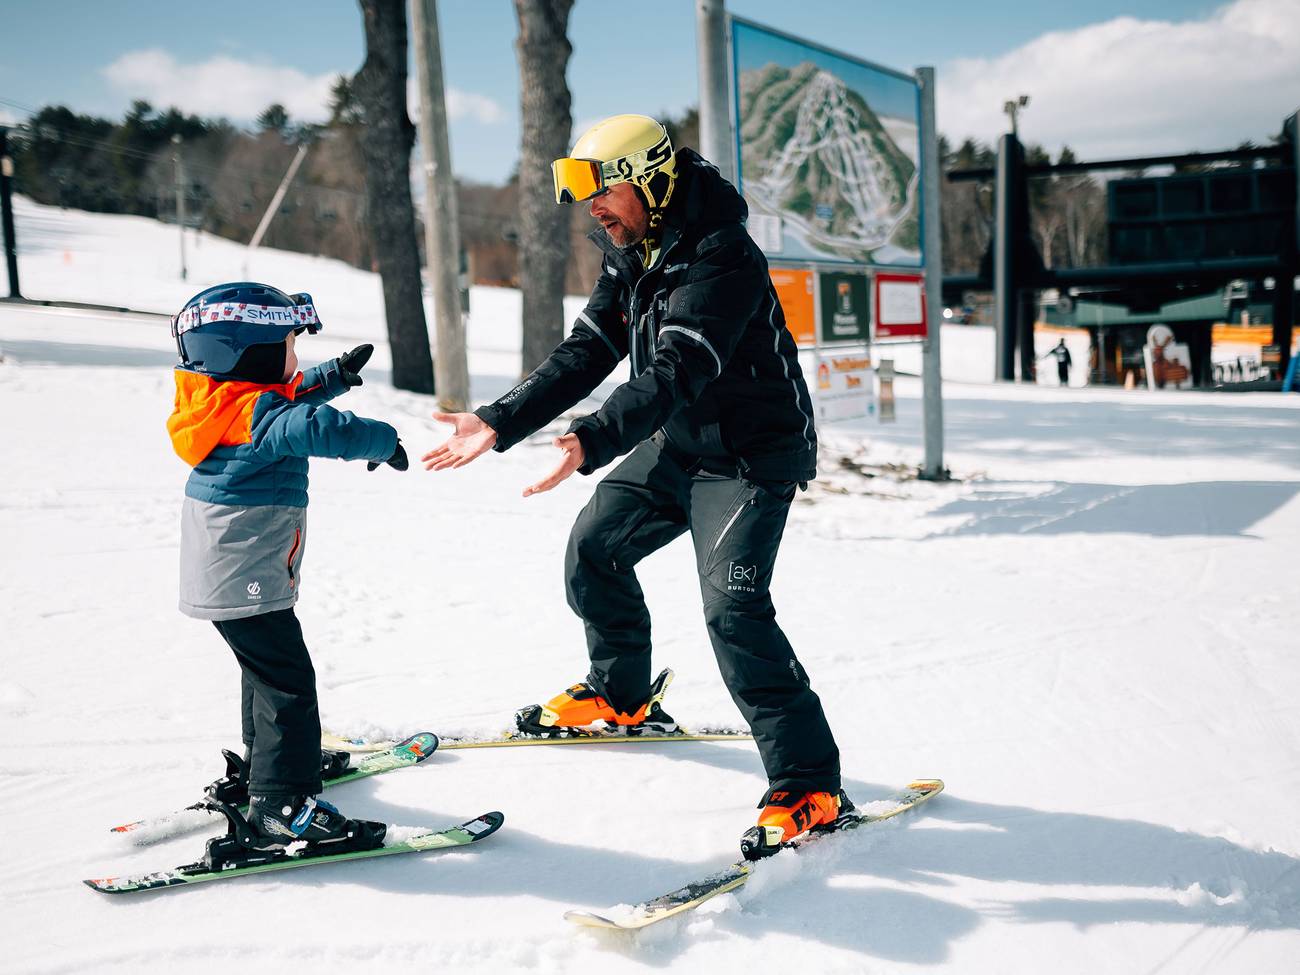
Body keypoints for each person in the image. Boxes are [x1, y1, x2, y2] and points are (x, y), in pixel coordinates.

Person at [422, 115, 842, 857]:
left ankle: (809, 782)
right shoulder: (635, 250)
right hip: (679, 443)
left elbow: (679, 365)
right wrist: (499, 420)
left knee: (735, 610)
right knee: (595, 546)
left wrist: (590, 437)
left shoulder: (722, 255)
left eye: (600, 188)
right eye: (581, 191)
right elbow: (589, 349)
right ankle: (620, 695)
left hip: (749, 458)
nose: (592, 207)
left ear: (650, 178)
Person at [167, 282, 408, 848]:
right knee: (288, 681)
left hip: (223, 565)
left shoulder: (217, 402)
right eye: (288, 347)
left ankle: (268, 770)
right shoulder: (261, 416)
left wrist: (333, 376)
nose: (296, 359)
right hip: (245, 568)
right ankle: (281, 806)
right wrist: (383, 440)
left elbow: (288, 400)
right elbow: (315, 427)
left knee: (265, 670)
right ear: (251, 355)